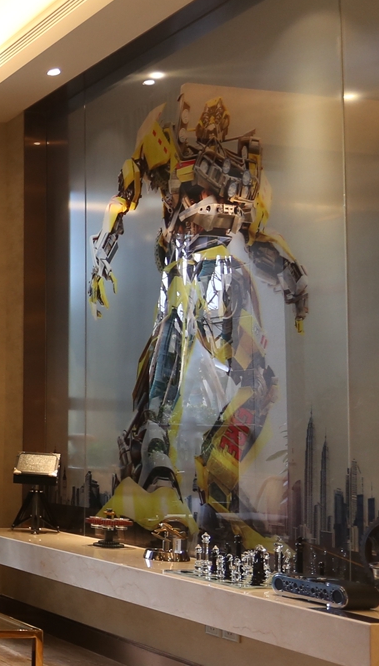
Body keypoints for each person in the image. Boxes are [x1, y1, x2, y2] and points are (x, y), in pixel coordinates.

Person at [89, 95, 307, 545]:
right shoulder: (170, 152)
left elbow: (256, 235)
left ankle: (219, 485)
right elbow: (126, 191)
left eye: (219, 118)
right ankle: (159, 478)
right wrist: (102, 250)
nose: (212, 122)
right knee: (163, 382)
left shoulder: (240, 171)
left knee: (256, 382)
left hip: (223, 274)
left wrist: (294, 279)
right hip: (184, 277)